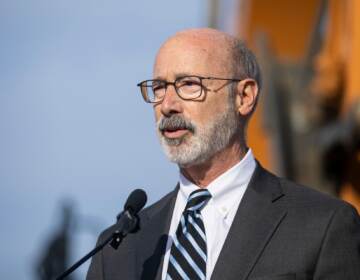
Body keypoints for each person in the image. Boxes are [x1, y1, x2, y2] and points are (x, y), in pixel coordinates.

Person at [87, 28, 360, 280]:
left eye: (189, 84)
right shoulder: (117, 248)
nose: (167, 105)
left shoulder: (323, 226)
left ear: (243, 97)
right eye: (159, 88)